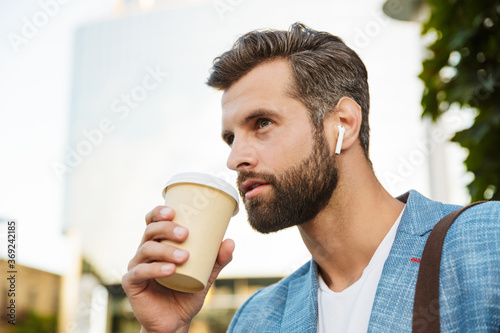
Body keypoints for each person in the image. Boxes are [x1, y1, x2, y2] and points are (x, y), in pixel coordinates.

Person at [121, 23, 500, 332]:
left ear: (344, 124)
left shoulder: (485, 242)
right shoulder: (257, 320)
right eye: (230, 137)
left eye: (263, 123)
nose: (236, 158)